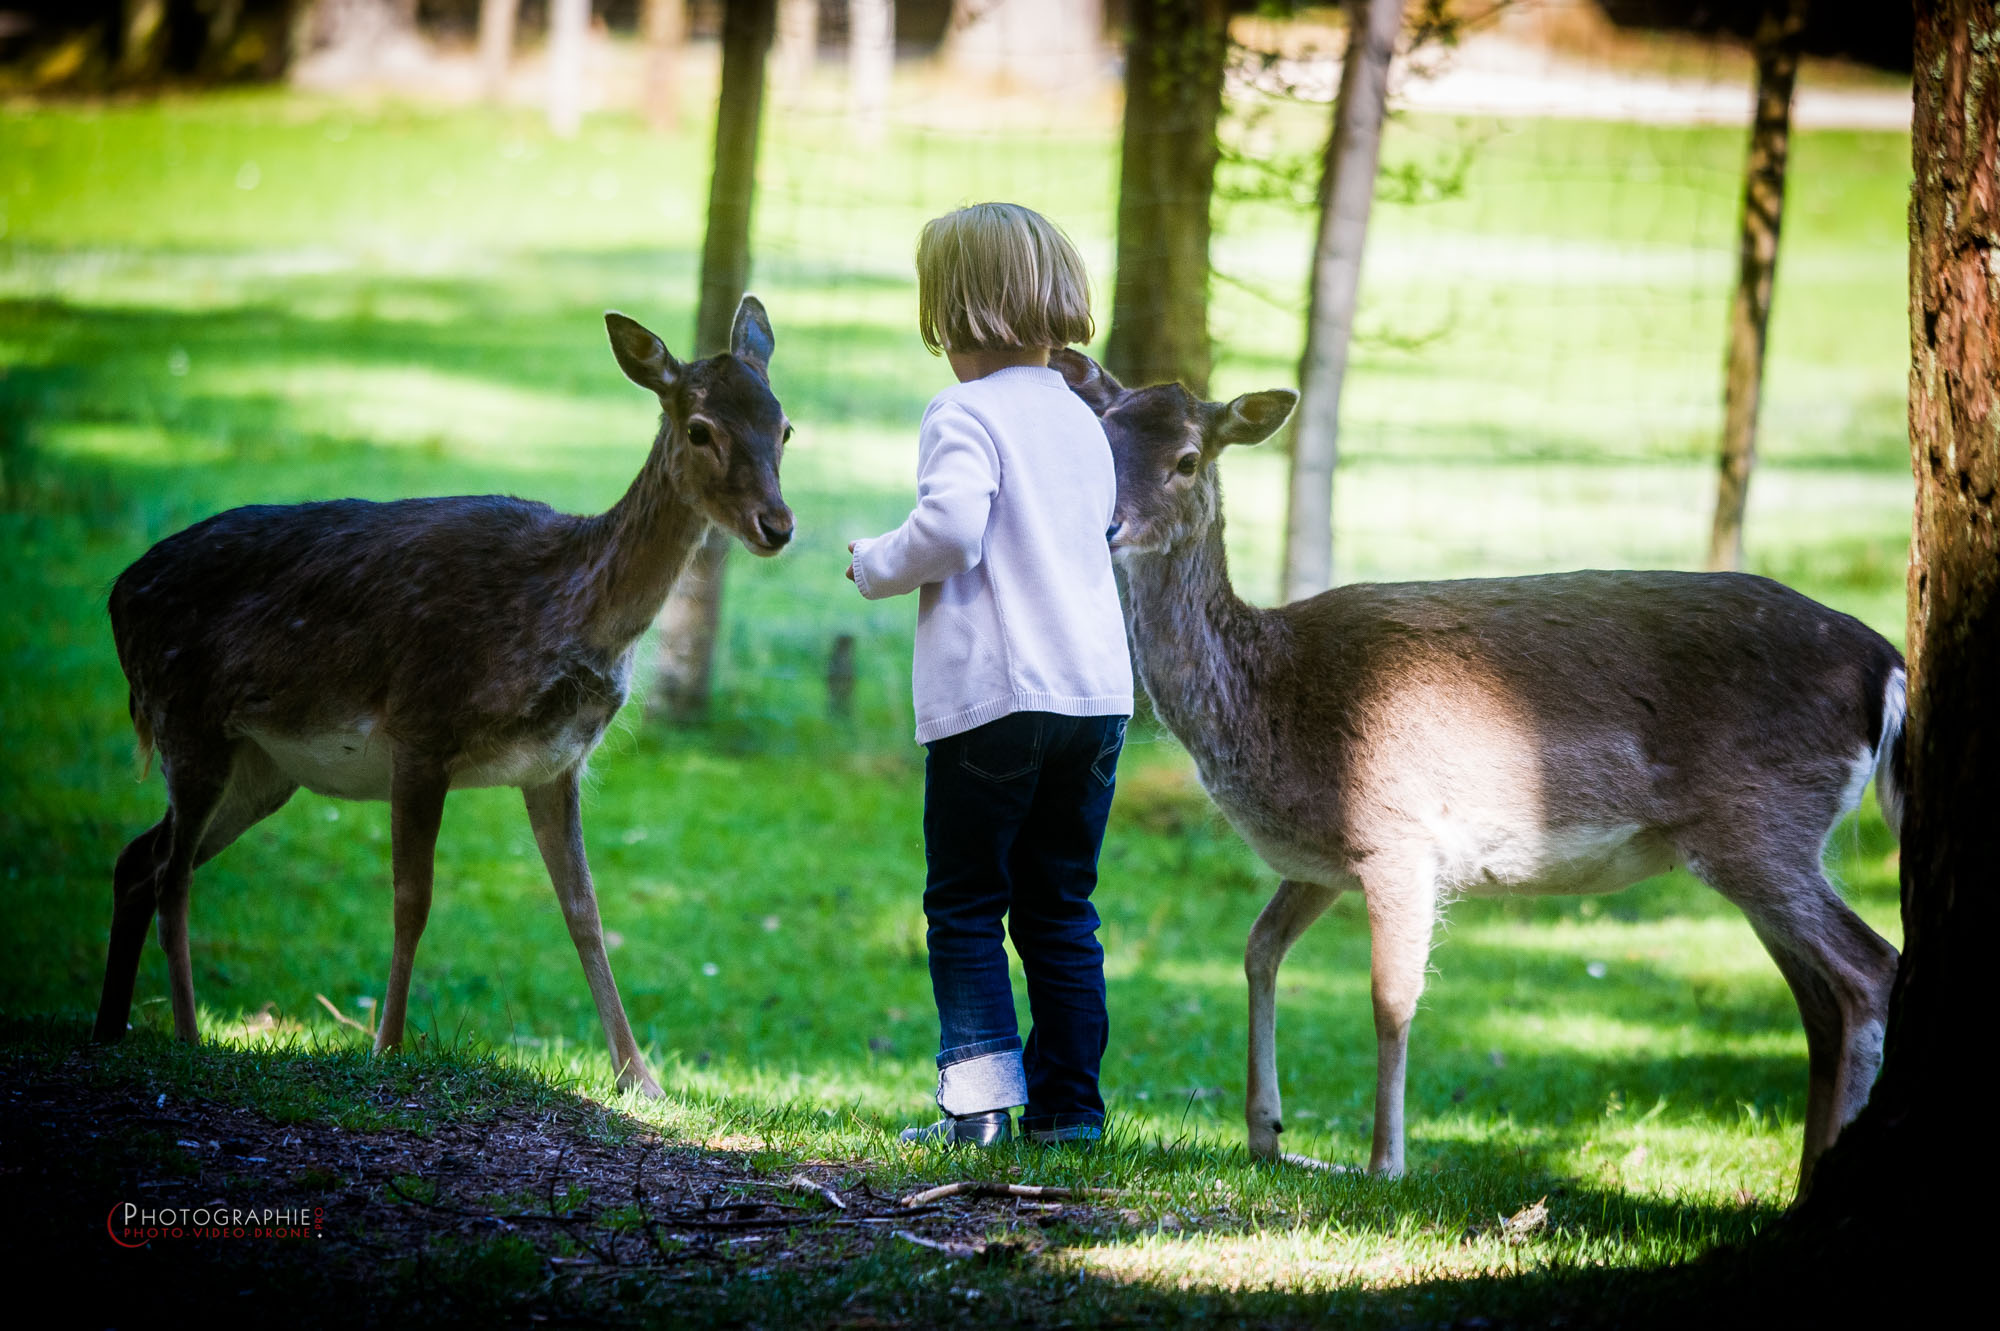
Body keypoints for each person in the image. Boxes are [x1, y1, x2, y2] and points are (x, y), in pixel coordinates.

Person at [846, 202, 1133, 1147]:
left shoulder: (964, 411)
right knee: (1060, 907)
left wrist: (877, 561)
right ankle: (1070, 1115)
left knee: (966, 904)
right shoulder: (1084, 420)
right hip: (1094, 700)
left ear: (954, 314)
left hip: (997, 703)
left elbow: (955, 528)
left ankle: (977, 1109)